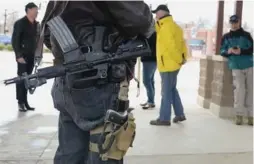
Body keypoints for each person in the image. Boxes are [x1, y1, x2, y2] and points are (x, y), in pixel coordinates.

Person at [41, 1, 154, 163]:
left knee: (70, 154)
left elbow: (46, 32)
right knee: (105, 153)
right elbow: (141, 22)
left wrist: (73, 54)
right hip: (99, 85)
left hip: (66, 82)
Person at [150, 5, 187, 126]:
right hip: (173, 65)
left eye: (156, 13)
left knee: (166, 92)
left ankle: (164, 118)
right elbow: (182, 44)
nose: (156, 16)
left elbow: (171, 47)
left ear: (161, 13)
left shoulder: (166, 27)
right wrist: (182, 59)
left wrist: (178, 59)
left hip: (168, 65)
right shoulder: (173, 26)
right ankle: (180, 114)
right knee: (172, 89)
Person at [220, 15, 253, 126]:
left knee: (251, 90)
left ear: (239, 22)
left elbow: (251, 48)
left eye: (236, 22)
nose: (234, 24)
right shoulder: (226, 37)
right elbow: (222, 51)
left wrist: (241, 51)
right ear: (230, 23)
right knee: (239, 90)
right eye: (232, 22)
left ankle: (251, 115)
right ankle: (239, 115)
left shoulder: (247, 35)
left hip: (249, 64)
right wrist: (229, 51)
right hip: (235, 65)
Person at [12, 2, 39, 112]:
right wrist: (18, 56)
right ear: (29, 10)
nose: (37, 12)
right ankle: (20, 102)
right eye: (35, 10)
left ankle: (25, 102)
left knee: (28, 79)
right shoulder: (20, 23)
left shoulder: (36, 24)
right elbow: (15, 40)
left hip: (32, 56)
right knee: (21, 79)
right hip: (22, 57)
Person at [140, 32, 157, 110]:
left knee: (146, 81)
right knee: (150, 81)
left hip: (150, 60)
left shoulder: (152, 34)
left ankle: (151, 101)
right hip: (150, 59)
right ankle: (151, 101)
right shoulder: (151, 34)